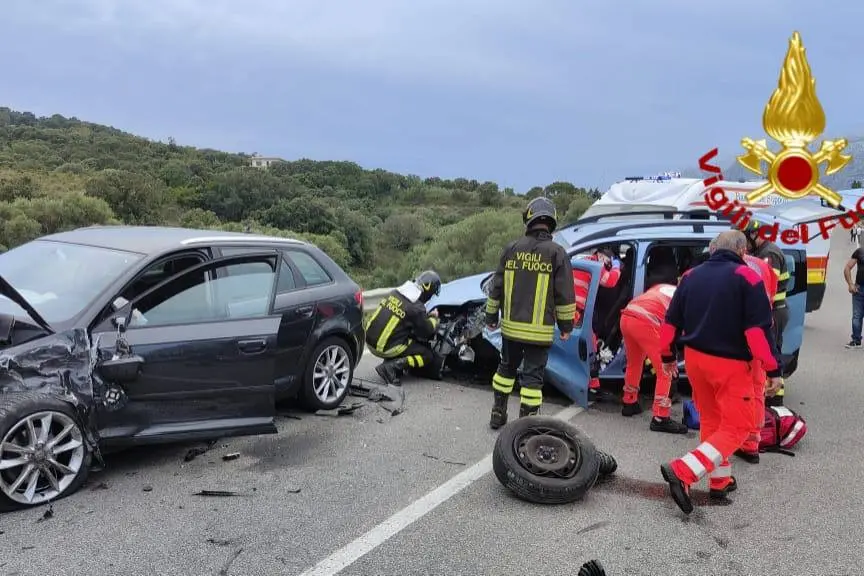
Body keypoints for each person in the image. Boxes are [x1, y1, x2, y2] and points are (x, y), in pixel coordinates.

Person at [658, 231, 783, 515]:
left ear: (714, 250)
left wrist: (667, 356)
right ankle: (683, 470)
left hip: (696, 361)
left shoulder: (690, 276)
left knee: (713, 420)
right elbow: (757, 333)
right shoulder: (748, 278)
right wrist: (773, 368)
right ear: (742, 252)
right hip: (731, 364)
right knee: (739, 426)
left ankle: (720, 480)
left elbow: (670, 323)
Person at [485, 197, 576, 429]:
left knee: (505, 369)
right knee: (532, 379)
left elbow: (496, 287)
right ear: (551, 222)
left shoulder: (511, 249)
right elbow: (564, 295)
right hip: (539, 333)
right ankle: (524, 426)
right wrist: (566, 327)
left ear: (528, 219)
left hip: (511, 329)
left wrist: (491, 317)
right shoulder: (557, 253)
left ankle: (498, 412)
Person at [618, 276, 688, 434]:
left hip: (627, 316)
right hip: (645, 322)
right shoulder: (686, 299)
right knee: (666, 369)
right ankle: (660, 418)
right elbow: (676, 330)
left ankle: (629, 402)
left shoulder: (663, 286)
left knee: (634, 363)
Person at [365, 270, 442, 386]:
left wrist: (425, 315)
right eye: (431, 294)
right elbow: (426, 331)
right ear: (428, 290)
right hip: (384, 348)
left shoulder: (395, 292)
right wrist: (434, 320)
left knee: (404, 334)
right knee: (427, 355)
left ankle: (391, 361)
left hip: (369, 342)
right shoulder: (416, 307)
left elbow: (407, 315)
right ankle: (391, 367)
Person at [742, 220, 790, 406]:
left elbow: (767, 285)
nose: (745, 244)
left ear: (755, 235)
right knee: (772, 348)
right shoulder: (760, 252)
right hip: (773, 309)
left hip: (775, 310)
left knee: (772, 350)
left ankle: (776, 397)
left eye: (746, 239)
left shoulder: (769, 254)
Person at [573, 247, 622, 392]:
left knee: (589, 344)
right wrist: (616, 268)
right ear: (600, 256)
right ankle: (591, 386)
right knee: (588, 347)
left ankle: (593, 385)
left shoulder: (583, 262)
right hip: (576, 311)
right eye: (607, 262)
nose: (607, 265)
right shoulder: (595, 266)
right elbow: (610, 281)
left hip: (572, 308)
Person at [843, 245, 864, 349]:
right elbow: (847, 267)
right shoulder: (860, 252)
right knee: (857, 316)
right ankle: (856, 340)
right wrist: (850, 284)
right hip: (859, 289)